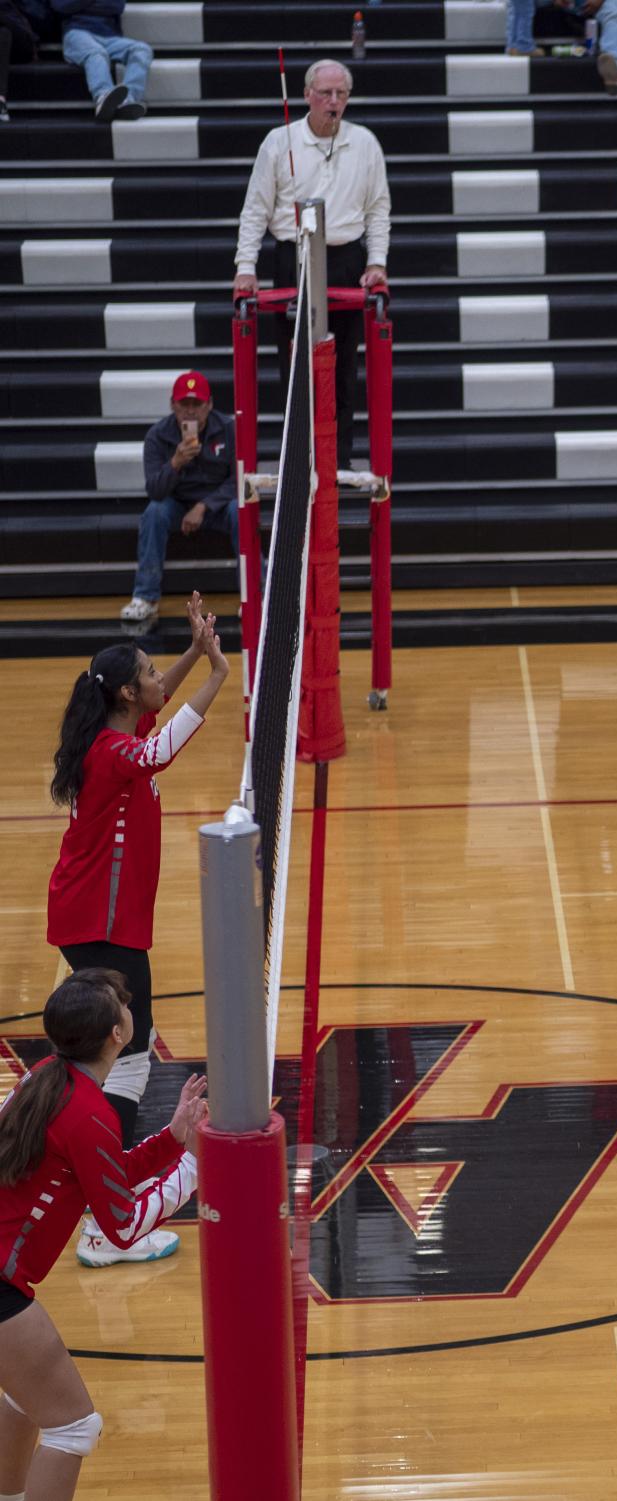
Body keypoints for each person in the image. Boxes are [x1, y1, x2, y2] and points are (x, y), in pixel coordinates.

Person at [46, 602, 229, 1266]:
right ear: (128, 693)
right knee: (125, 1052)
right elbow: (159, 747)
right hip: (102, 926)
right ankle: (105, 1224)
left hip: (95, 921)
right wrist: (217, 672)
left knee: (118, 1055)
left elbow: (156, 710)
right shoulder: (118, 753)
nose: (160, 680)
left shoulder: (114, 732)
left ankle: (98, 1200)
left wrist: (188, 651)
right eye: (152, 673)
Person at [0, 970, 206, 1501]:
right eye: (123, 1004)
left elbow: (102, 1171)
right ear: (118, 1033)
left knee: (26, 1398)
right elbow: (122, 1227)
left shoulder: (44, 1075)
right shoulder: (89, 1113)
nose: (129, 1006)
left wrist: (174, 1136)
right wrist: (192, 1168)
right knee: (74, 1426)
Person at [233, 58, 389, 472]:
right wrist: (245, 266)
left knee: (343, 367)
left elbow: (378, 210)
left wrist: (377, 262)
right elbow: (255, 211)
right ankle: (299, 460)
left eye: (341, 94)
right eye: (325, 93)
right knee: (295, 366)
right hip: (293, 260)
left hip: (345, 261)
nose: (333, 102)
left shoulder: (366, 143)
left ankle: (338, 461)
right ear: (307, 95)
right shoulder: (278, 142)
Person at [121, 372, 236, 627]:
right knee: (154, 512)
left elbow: (239, 479)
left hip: (216, 505)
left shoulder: (229, 429)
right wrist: (175, 463)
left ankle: (255, 595)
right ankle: (145, 597)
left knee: (241, 512)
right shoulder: (157, 436)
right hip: (177, 504)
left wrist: (204, 506)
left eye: (197, 404)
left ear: (210, 405)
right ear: (173, 405)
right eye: (185, 404)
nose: (191, 412)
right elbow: (154, 490)